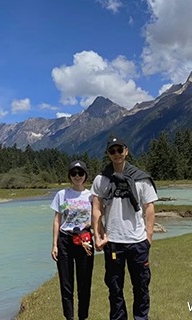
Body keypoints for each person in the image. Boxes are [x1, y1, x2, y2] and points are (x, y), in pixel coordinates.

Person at [91, 137, 158, 320]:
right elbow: (97, 209)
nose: (116, 154)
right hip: (113, 242)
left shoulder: (141, 178)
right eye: (112, 151)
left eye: (119, 150)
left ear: (126, 151)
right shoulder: (101, 179)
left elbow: (149, 208)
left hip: (137, 242)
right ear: (108, 154)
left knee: (141, 286)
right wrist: (98, 234)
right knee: (114, 288)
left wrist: (148, 237)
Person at [50, 160, 94, 320]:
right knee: (66, 284)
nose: (77, 176)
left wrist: (90, 228)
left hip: (85, 240)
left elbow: (96, 218)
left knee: (85, 283)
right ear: (69, 176)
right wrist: (54, 244)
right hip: (65, 240)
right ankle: (69, 317)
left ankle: (83, 317)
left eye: (80, 173)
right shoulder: (62, 195)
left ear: (85, 176)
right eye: (74, 173)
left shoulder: (91, 196)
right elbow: (57, 219)